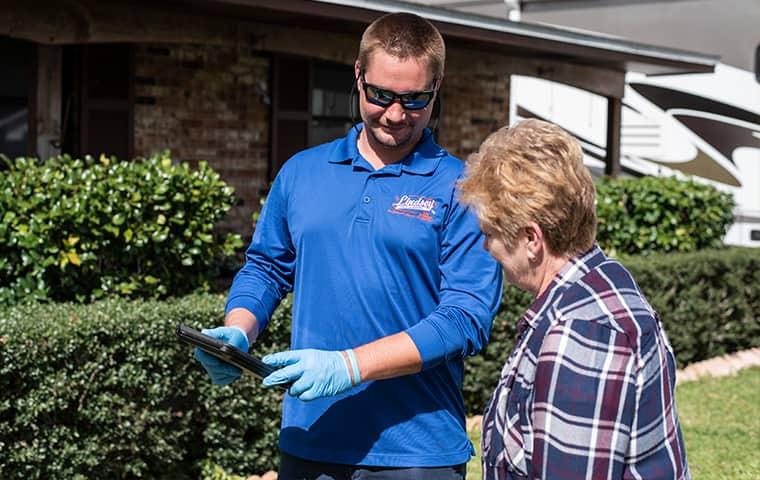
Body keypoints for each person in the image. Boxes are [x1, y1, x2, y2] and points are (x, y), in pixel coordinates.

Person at [193, 11, 503, 479]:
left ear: (436, 89)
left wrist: (350, 366)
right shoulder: (302, 171)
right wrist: (239, 330)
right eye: (381, 95)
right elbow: (266, 268)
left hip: (417, 452)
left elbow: (465, 319)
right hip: (312, 439)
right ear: (357, 76)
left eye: (415, 100)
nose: (396, 114)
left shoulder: (462, 188)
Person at [458, 118, 690, 480]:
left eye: (490, 233)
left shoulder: (580, 331)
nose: (486, 248)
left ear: (532, 239)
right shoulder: (601, 280)